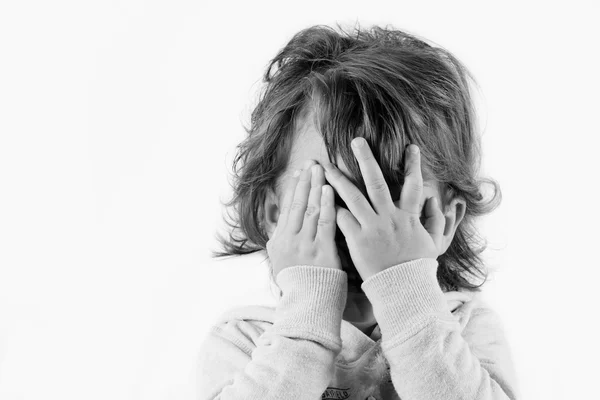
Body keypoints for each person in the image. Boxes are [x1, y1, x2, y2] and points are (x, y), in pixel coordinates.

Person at [199, 23, 519, 399]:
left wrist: (407, 300)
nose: (359, 235)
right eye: (330, 198)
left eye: (390, 204)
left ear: (445, 220)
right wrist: (303, 329)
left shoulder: (464, 329)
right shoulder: (244, 340)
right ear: (273, 215)